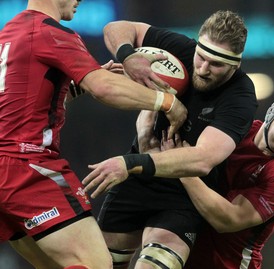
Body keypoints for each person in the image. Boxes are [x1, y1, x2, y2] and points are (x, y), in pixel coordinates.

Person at [0, 0, 188, 268]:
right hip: (27, 168)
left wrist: (74, 88)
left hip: (5, 169)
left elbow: (18, 102)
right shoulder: (51, 32)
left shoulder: (8, 33)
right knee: (97, 264)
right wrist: (166, 102)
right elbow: (105, 88)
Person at [82, 10, 258, 269]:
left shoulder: (241, 98)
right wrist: (128, 56)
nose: (203, 69)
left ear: (236, 64)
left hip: (184, 194)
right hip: (137, 183)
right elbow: (117, 27)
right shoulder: (181, 49)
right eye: (201, 57)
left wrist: (131, 162)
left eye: (216, 64)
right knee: (100, 265)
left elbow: (203, 159)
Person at [176, 90, 274, 269]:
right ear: (272, 114)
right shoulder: (238, 130)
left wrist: (182, 168)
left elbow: (227, 220)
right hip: (185, 252)